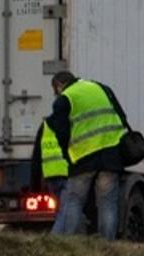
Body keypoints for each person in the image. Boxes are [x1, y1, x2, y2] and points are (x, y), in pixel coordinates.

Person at [47, 72, 131, 239]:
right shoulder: (101, 88)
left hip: (83, 157)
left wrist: (67, 155)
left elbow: (61, 132)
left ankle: (69, 241)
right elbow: (122, 117)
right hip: (110, 154)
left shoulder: (65, 99)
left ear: (58, 85)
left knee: (74, 200)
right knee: (107, 202)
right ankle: (107, 244)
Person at [31, 117, 68, 196]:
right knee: (70, 204)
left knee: (58, 204)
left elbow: (37, 156)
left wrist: (35, 186)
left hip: (51, 175)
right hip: (69, 173)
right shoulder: (71, 122)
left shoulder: (45, 126)